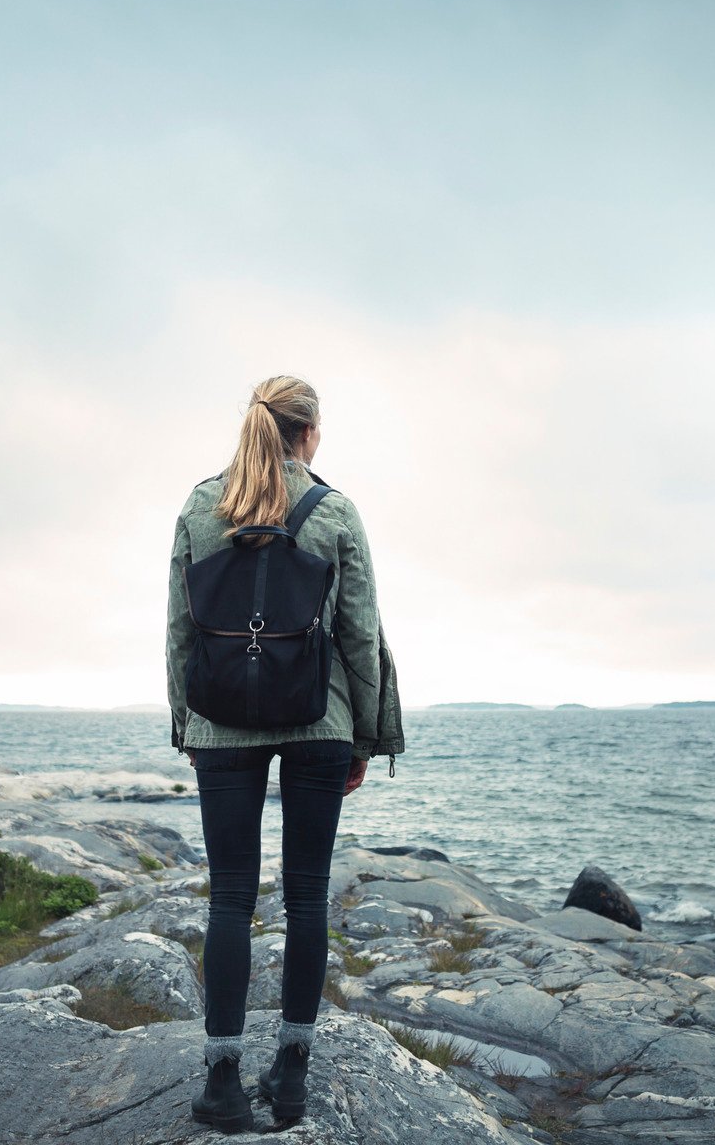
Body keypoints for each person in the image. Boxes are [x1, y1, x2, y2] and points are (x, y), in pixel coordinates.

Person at [166, 373, 405, 1132]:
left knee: (230, 897)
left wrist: (187, 725)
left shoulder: (200, 507)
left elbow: (178, 630)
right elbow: (360, 636)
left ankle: (222, 1083)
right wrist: (365, 734)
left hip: (221, 725)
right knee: (307, 897)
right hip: (319, 721)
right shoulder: (334, 511)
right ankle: (293, 1077)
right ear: (308, 433)